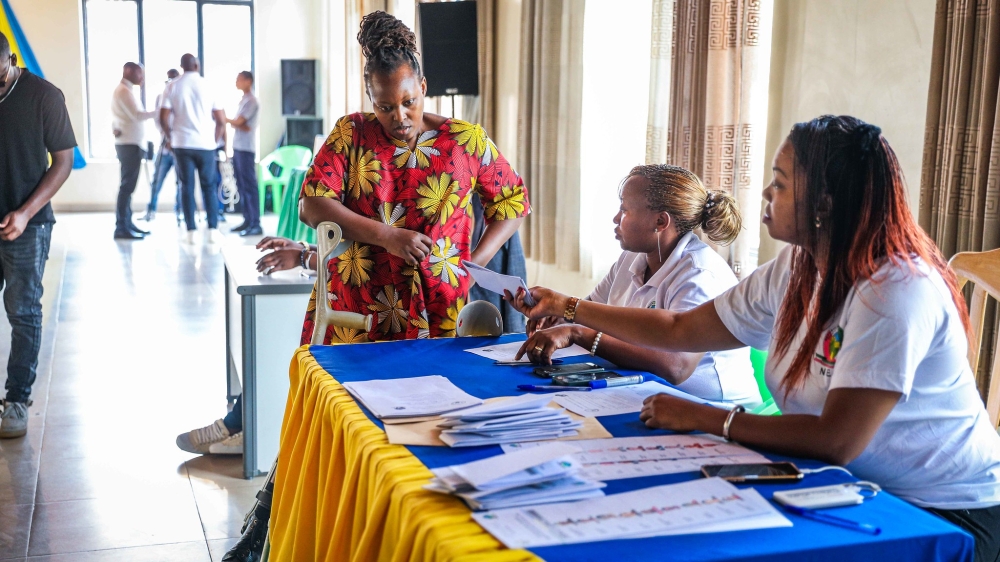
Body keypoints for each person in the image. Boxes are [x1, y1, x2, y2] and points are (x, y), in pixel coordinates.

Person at [507, 115, 1000, 561]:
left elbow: (836, 440)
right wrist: (567, 308)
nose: (766, 193)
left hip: (938, 513)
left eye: (781, 184)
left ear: (824, 202)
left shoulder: (895, 290)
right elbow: (682, 329)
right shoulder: (796, 264)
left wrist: (707, 418)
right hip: (840, 485)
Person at [299, 11, 529, 345]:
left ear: (423, 87)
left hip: (439, 304)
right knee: (349, 395)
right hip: (360, 303)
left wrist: (471, 268)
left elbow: (514, 204)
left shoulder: (465, 140)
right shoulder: (352, 133)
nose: (400, 117)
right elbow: (311, 205)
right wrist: (387, 235)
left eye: (409, 102)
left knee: (435, 393)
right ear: (371, 101)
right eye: (385, 107)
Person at [516, 165, 760, 407]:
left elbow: (676, 367)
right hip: (647, 392)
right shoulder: (633, 257)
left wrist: (578, 332)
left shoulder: (699, 275)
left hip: (710, 408)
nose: (615, 218)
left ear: (660, 221)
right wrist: (558, 316)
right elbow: (589, 311)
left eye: (624, 209)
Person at [0, 32, 76, 438]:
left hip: (28, 224)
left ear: (11, 59)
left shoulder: (44, 96)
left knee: (23, 311)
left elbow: (62, 161)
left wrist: (26, 213)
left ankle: (16, 400)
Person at [160, 53, 226, 244]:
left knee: (186, 187)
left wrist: (170, 137)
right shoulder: (208, 85)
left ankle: (191, 232)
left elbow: (163, 117)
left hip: (182, 144)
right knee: (209, 187)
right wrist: (213, 140)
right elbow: (221, 121)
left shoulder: (172, 86)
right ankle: (213, 229)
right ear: (197, 65)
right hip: (206, 145)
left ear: (181, 67)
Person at [111, 62, 156, 240]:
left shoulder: (126, 91)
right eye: (140, 74)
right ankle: (121, 227)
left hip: (131, 143)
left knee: (128, 187)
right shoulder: (123, 91)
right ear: (129, 72)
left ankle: (127, 224)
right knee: (127, 187)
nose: (142, 78)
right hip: (129, 145)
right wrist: (160, 112)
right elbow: (137, 115)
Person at [227, 70, 261, 236]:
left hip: (246, 148)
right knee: (241, 184)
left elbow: (240, 122)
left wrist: (224, 119)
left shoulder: (252, 101)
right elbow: (240, 125)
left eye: (239, 79)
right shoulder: (243, 100)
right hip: (238, 147)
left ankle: (255, 222)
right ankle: (247, 219)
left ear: (248, 81)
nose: (236, 82)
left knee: (249, 185)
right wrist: (237, 124)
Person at [144, 68, 180, 223]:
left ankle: (180, 212)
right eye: (168, 80)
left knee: (181, 183)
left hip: (179, 147)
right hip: (165, 146)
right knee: (156, 180)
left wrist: (175, 139)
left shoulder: (182, 97)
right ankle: (151, 210)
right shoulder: (161, 97)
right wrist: (167, 137)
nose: (170, 83)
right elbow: (158, 120)